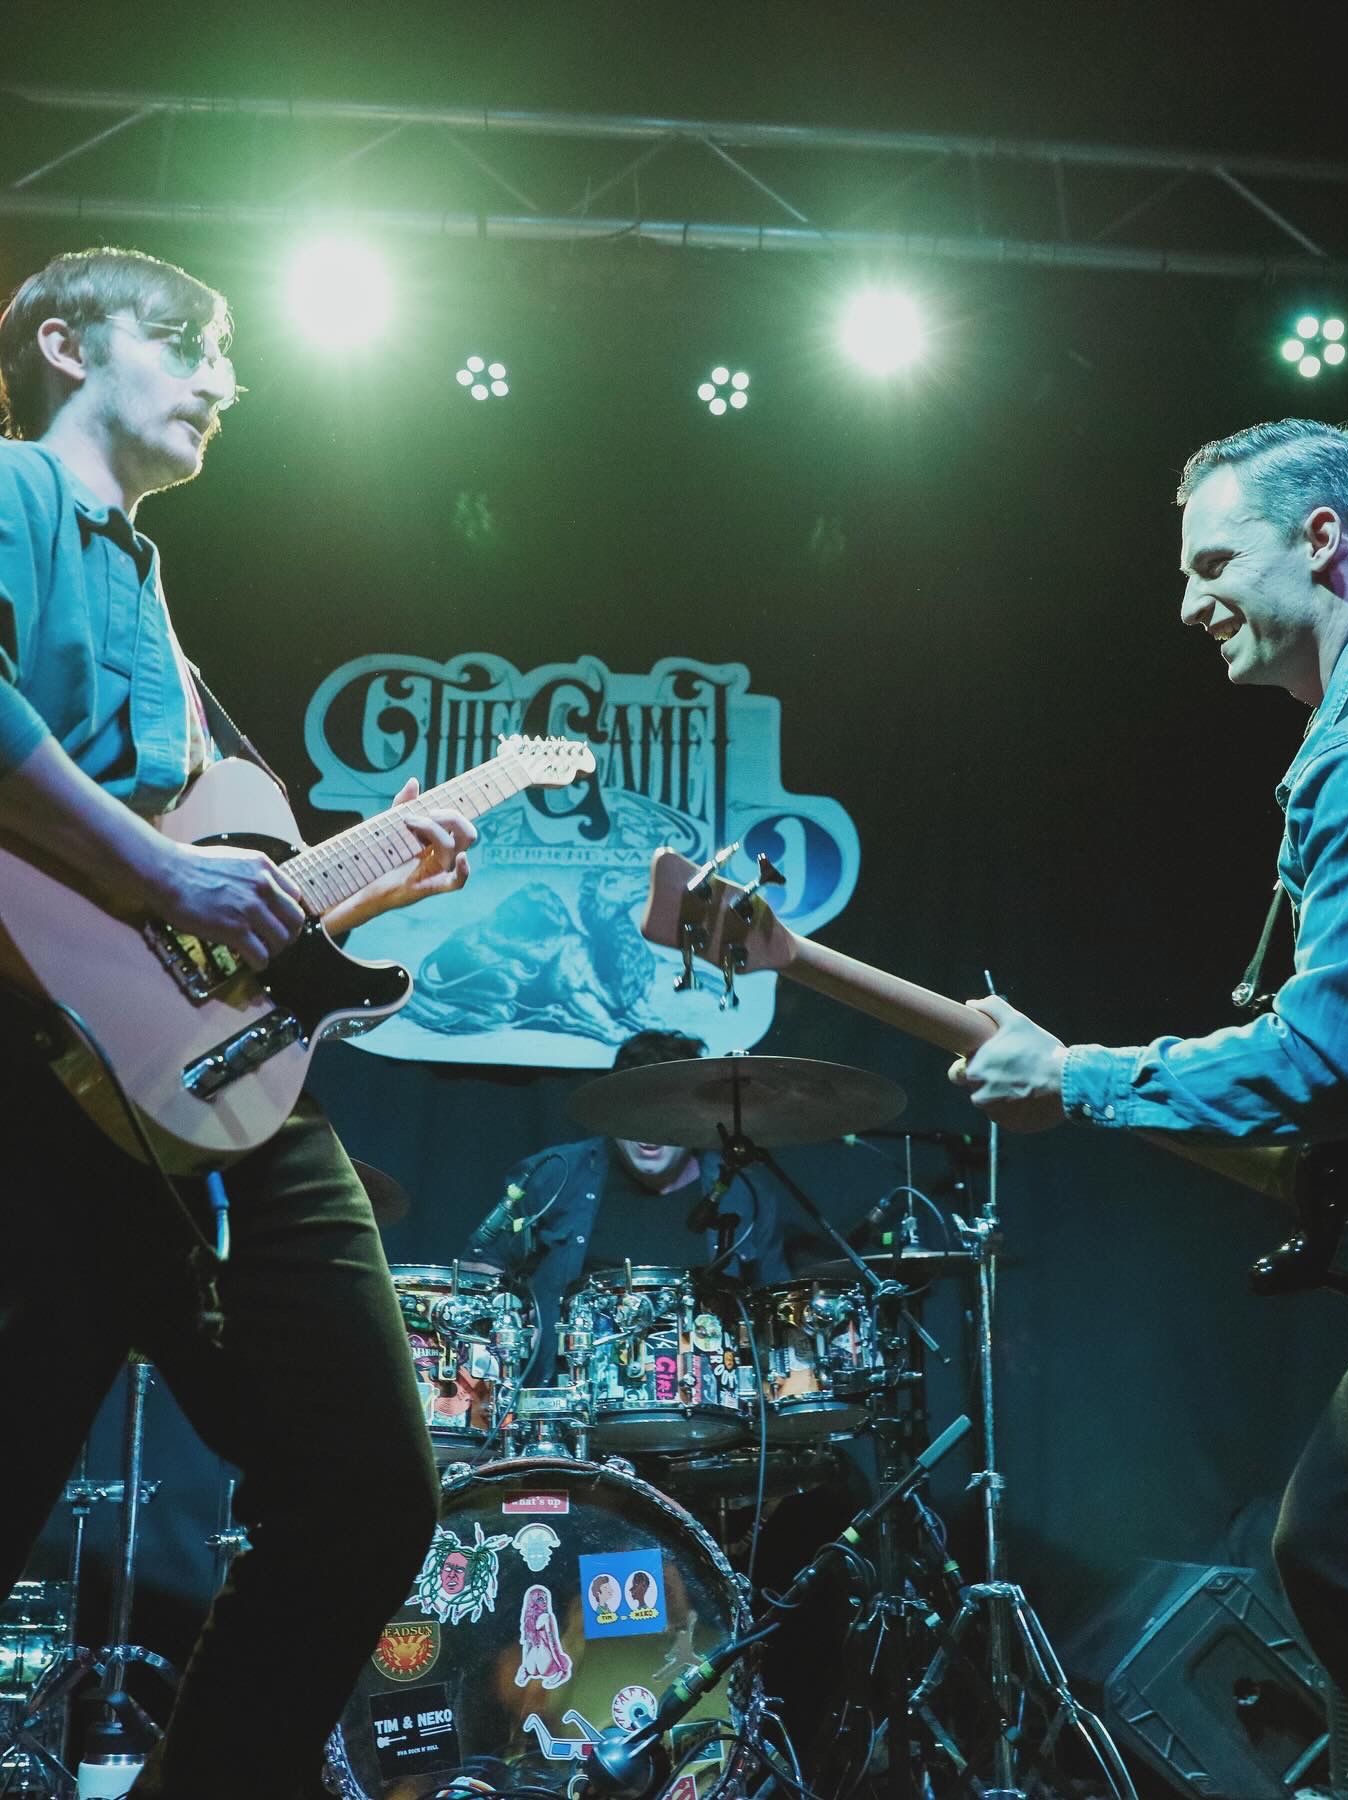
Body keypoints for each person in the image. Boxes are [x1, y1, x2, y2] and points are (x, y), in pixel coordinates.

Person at [0, 247, 479, 1799]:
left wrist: (363, 884)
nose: (230, 379)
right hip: (29, 1078)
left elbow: (207, 898)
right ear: (66, 345)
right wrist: (159, 871)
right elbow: (155, 872)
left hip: (202, 1094)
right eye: (192, 344)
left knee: (368, 1493)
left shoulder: (150, 596)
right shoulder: (14, 491)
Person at [954, 418, 1348, 1794]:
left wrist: (1076, 1078)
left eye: (1214, 561)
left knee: (1341, 1550)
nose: (1186, 602)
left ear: (1324, 541)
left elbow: (1323, 1068)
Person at [466, 1028, 790, 1383]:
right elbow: (480, 1269)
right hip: (572, 1396)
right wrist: (509, 1326)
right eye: (634, 1111)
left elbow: (774, 1306)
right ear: (611, 1112)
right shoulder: (555, 1174)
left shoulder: (742, 1192)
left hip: (704, 1399)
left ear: (693, 1115)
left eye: (665, 1112)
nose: (648, 1130)